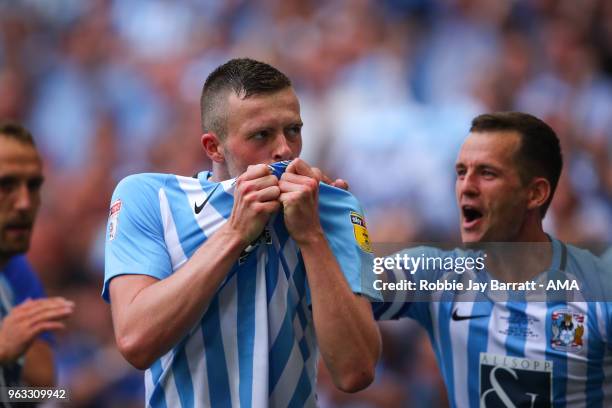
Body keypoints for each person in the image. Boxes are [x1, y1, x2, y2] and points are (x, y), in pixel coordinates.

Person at [103, 58, 381, 407]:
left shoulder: (336, 208)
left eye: (293, 130)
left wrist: (312, 236)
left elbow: (356, 371)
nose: (284, 149)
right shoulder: (146, 197)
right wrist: (235, 233)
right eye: (261, 135)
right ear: (213, 147)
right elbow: (135, 341)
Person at [374, 112, 612, 407]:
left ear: (535, 193)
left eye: (487, 173)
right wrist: (345, 220)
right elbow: (351, 284)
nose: (467, 186)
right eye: (461, 172)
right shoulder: (438, 273)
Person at [0, 121, 74, 389]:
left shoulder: (14, 269)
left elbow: (44, 386)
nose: (24, 203)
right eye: (6, 185)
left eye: (32, 186)